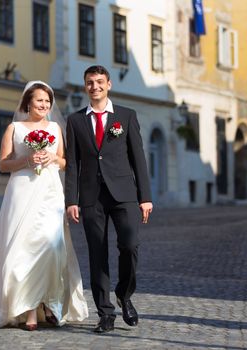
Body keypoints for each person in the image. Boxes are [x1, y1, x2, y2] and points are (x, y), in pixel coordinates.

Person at [0, 81, 88, 331]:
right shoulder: (14, 128)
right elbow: (3, 164)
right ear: (28, 102)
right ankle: (27, 310)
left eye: (48, 101)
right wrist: (27, 160)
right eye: (40, 100)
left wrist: (52, 158)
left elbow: (65, 162)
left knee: (51, 247)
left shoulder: (55, 128)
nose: (45, 105)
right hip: (21, 192)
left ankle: (48, 303)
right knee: (21, 249)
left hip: (49, 193)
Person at [65, 65, 153, 333]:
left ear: (109, 84)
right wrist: (72, 200)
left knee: (130, 245)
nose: (95, 87)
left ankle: (124, 295)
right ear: (85, 87)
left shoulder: (125, 116)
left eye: (100, 82)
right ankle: (105, 313)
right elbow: (73, 165)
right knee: (97, 253)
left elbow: (138, 158)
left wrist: (145, 197)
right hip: (92, 197)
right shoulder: (76, 120)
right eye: (90, 82)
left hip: (124, 194)